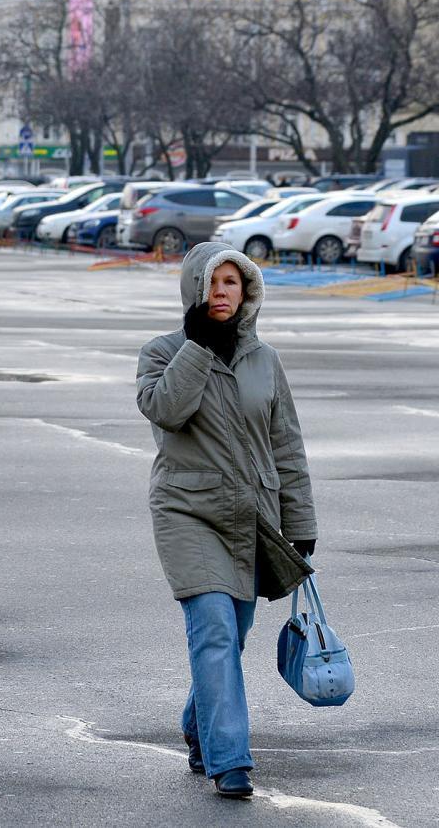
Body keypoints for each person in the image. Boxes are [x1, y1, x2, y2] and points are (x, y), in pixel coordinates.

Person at [136, 242, 316, 802]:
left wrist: (300, 518)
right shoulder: (164, 351)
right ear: (194, 288)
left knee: (231, 637)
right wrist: (197, 347)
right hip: (187, 511)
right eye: (212, 284)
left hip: (252, 516)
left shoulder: (265, 359)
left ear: (248, 293)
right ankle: (230, 761)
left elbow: (286, 442)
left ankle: (200, 726)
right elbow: (166, 411)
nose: (221, 294)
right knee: (212, 628)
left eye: (232, 284)